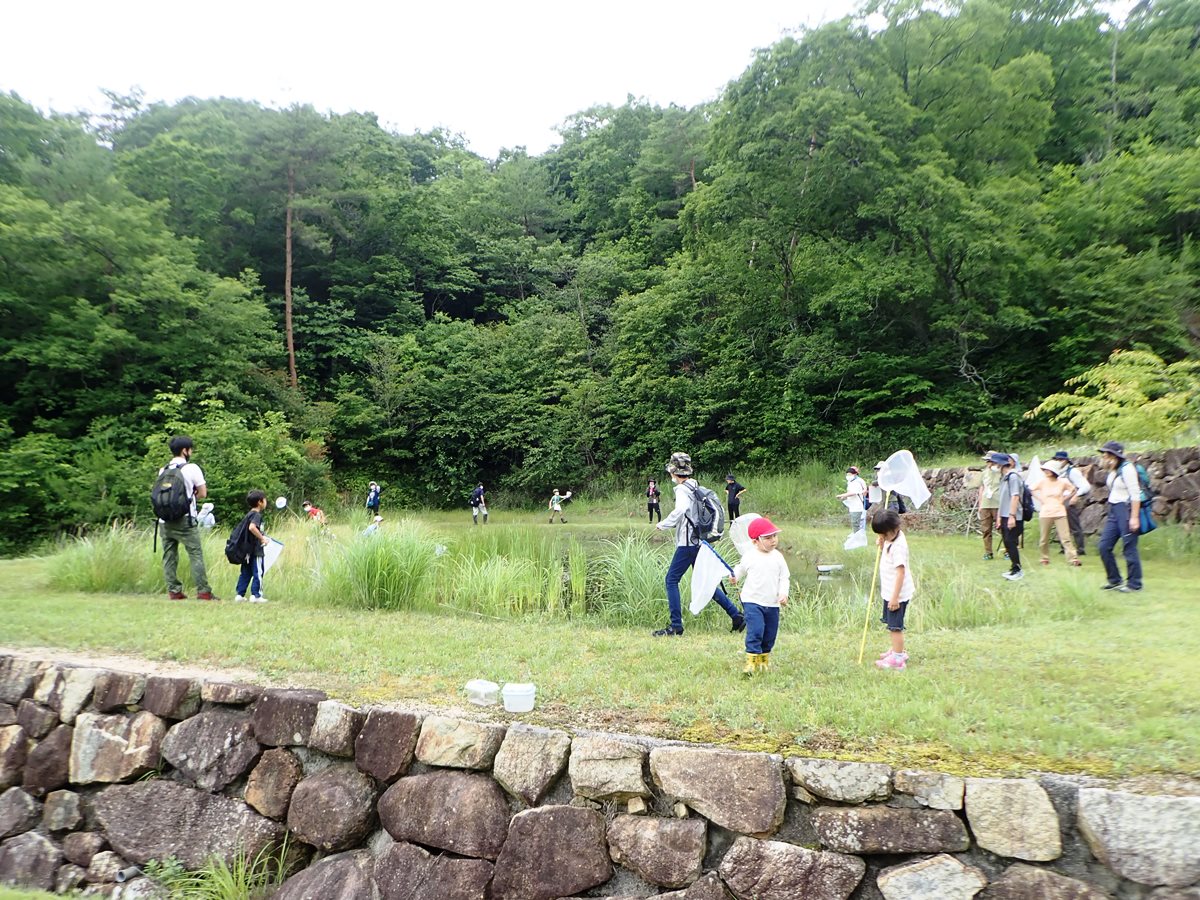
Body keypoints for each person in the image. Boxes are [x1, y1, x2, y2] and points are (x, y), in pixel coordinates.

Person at [654, 452, 745, 637]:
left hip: (687, 543)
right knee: (707, 582)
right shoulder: (694, 485)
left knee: (671, 580)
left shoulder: (681, 490)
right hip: (699, 542)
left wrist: (663, 524)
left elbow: (680, 510)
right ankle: (736, 616)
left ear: (673, 472)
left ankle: (676, 626)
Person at [158, 435, 217, 601]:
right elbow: (203, 493)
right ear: (185, 450)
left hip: (164, 521)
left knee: (169, 556)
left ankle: (174, 591)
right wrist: (190, 498)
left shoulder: (163, 470)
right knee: (195, 554)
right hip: (185, 519)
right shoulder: (191, 468)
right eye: (190, 449)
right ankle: (203, 591)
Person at [728, 517, 789, 675]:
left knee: (769, 634)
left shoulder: (778, 557)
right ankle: (751, 663)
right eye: (768, 538)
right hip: (752, 601)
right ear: (755, 541)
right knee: (756, 631)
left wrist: (783, 593)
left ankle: (764, 661)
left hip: (773, 603)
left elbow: (784, 577)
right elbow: (740, 570)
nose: (773, 540)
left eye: (774, 536)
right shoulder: (750, 556)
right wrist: (734, 577)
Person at [1097, 441, 1143, 593]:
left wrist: (1134, 517)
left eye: (1106, 454)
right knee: (1104, 546)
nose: (1103, 457)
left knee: (1129, 547)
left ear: (1114, 456)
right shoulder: (1113, 470)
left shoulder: (1128, 469)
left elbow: (1135, 494)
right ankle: (1114, 580)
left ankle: (1134, 584)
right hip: (1114, 510)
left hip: (1127, 509)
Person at [872, 509, 914, 670]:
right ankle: (897, 650)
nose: (882, 537)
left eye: (884, 534)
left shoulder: (898, 547)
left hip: (897, 594)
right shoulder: (893, 537)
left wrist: (895, 598)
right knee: (890, 623)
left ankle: (898, 658)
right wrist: (883, 545)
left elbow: (900, 572)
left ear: (893, 530)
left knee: (895, 627)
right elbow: (888, 556)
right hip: (890, 591)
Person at [1031, 461, 1080, 567]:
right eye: (1045, 470)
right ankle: (1044, 557)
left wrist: (1064, 499)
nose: (1046, 471)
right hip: (1045, 512)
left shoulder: (1063, 482)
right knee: (1044, 538)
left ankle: (1073, 558)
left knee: (1065, 537)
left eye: (1048, 470)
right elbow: (1031, 489)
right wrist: (1040, 499)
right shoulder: (1042, 482)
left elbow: (1073, 490)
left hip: (1060, 511)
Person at [233, 490, 270, 603]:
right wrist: (262, 538)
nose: (266, 502)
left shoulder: (249, 514)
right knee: (258, 572)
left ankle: (240, 594)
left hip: (247, 550)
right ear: (260, 502)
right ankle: (256, 595)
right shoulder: (256, 515)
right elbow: (252, 528)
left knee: (246, 572)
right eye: (264, 499)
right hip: (256, 550)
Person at [992, 452, 1025, 581]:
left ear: (1001, 464)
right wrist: (999, 517)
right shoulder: (1004, 478)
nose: (992, 466)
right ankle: (1013, 568)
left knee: (1011, 542)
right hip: (1005, 515)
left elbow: (1015, 496)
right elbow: (1002, 499)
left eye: (994, 463)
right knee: (1007, 542)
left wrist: (1012, 516)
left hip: (1014, 515)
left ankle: (1018, 569)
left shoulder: (1013, 477)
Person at [1054, 450, 1091, 555]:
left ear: (1066, 460)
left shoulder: (1072, 472)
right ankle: (1064, 547)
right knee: (1061, 525)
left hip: (1069, 500)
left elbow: (1085, 486)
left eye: (1060, 459)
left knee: (1074, 526)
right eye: (1056, 459)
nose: (1058, 461)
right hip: (1059, 500)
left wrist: (1076, 496)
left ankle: (1080, 549)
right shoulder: (1057, 472)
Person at [977, 452, 1001, 560]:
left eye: (990, 461)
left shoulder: (1001, 472)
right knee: (986, 529)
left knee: (1002, 528)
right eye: (987, 461)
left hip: (998, 503)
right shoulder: (984, 473)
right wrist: (980, 504)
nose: (988, 463)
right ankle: (988, 552)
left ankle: (1007, 550)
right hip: (986, 504)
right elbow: (981, 488)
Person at [837, 467, 868, 532]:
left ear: (855, 474)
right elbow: (850, 492)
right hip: (852, 506)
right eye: (847, 475)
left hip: (857, 506)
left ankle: (858, 537)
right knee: (854, 523)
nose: (848, 476)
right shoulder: (850, 482)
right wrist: (844, 497)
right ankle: (856, 536)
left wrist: (842, 495)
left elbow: (853, 493)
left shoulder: (857, 482)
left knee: (856, 523)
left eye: (850, 474)